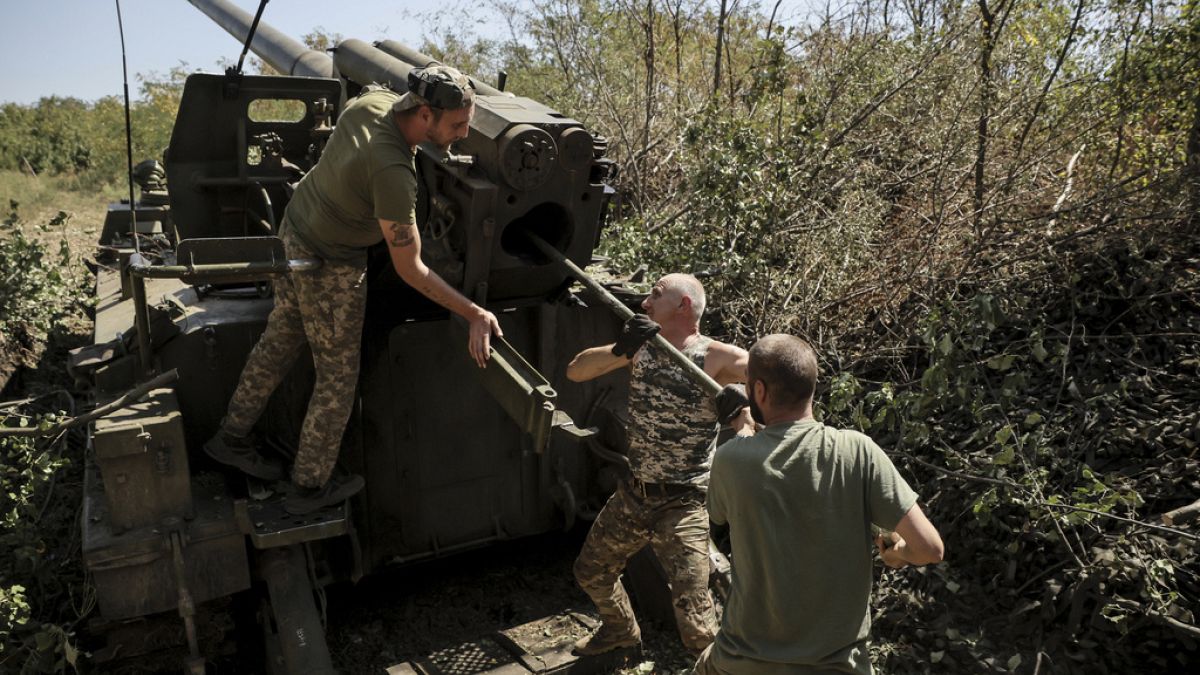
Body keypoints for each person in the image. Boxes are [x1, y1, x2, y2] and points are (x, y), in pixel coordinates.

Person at [204, 66, 502, 516]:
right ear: (424, 113)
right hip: (330, 263)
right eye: (457, 125)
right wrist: (474, 312)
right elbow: (412, 270)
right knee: (338, 378)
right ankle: (308, 487)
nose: (462, 134)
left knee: (281, 338)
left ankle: (231, 437)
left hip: (293, 233)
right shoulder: (394, 173)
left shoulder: (370, 104)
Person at [693, 334, 945, 675]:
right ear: (812, 387)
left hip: (744, 662)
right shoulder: (857, 451)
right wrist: (897, 555)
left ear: (760, 392)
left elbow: (720, 512)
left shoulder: (731, 459)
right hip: (839, 667)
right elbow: (930, 549)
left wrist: (741, 427)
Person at [565, 273, 754, 657]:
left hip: (682, 505)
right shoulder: (641, 347)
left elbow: (776, 385)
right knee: (590, 574)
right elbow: (575, 370)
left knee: (698, 626)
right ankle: (619, 630)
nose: (645, 304)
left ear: (684, 305)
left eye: (655, 295)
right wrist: (621, 349)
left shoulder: (714, 356)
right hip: (635, 494)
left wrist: (745, 407)